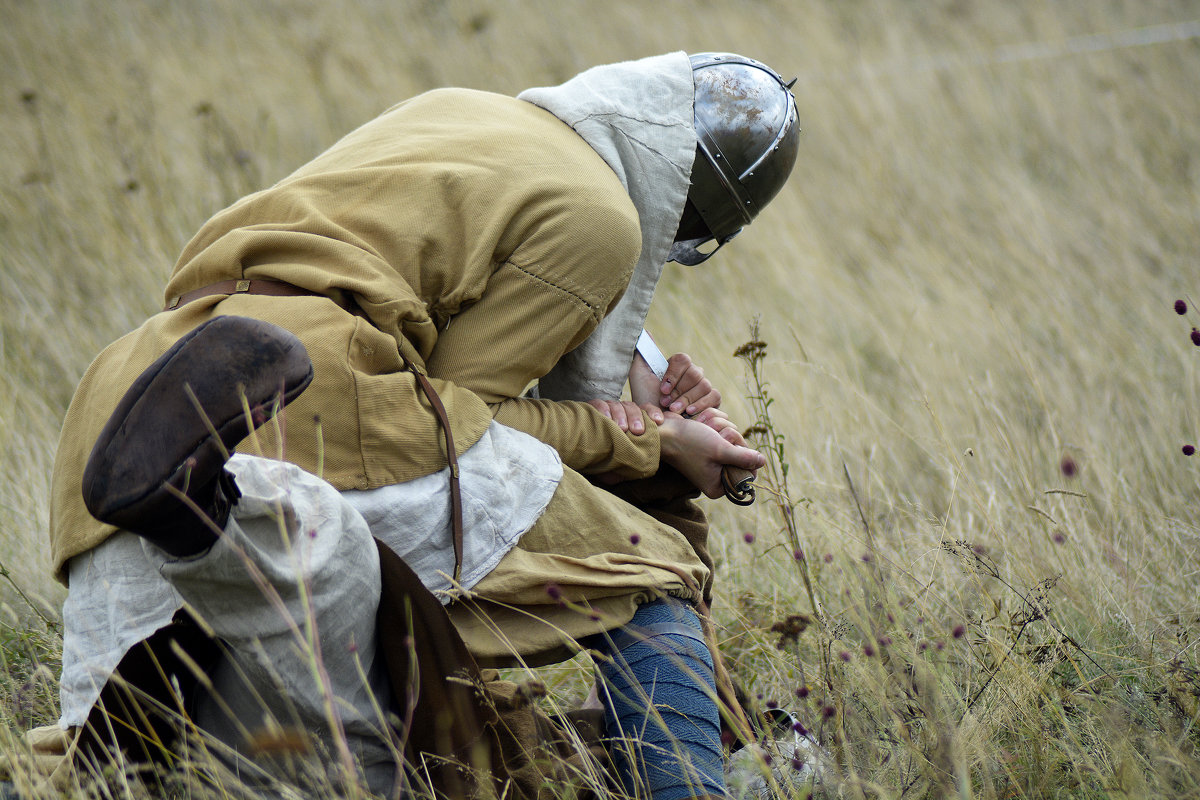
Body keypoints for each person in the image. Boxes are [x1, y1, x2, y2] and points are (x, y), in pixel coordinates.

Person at [47, 51, 799, 798]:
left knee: (102, 766)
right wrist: (653, 441)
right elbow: (460, 417)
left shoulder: (462, 113)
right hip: (315, 389)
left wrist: (642, 400)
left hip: (133, 399)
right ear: (681, 199)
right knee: (649, 567)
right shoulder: (602, 216)